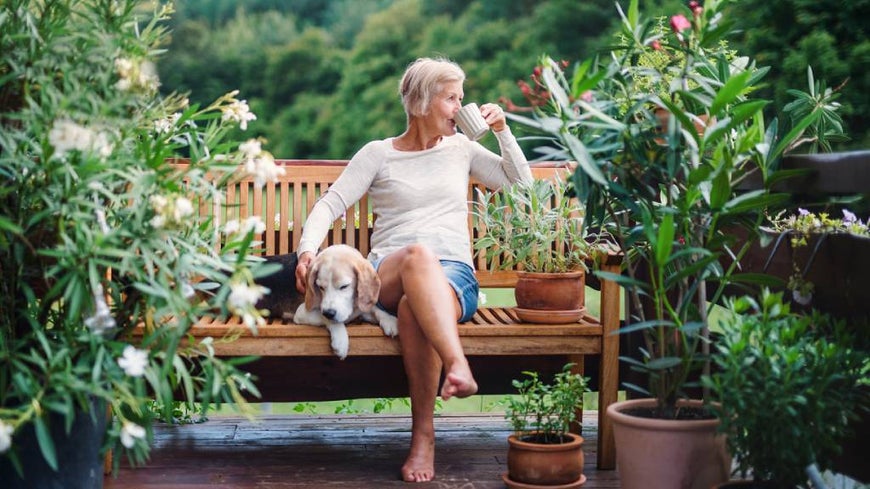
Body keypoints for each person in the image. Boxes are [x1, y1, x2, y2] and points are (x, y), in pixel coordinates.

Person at [294, 57, 532, 483]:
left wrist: (502, 131)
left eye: (462, 98)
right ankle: (458, 364)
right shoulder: (378, 154)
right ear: (422, 102)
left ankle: (423, 438)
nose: (461, 108)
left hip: (454, 277)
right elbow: (330, 203)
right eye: (451, 98)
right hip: (387, 272)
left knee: (411, 310)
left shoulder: (462, 149)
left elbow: (522, 187)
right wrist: (306, 252)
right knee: (418, 255)